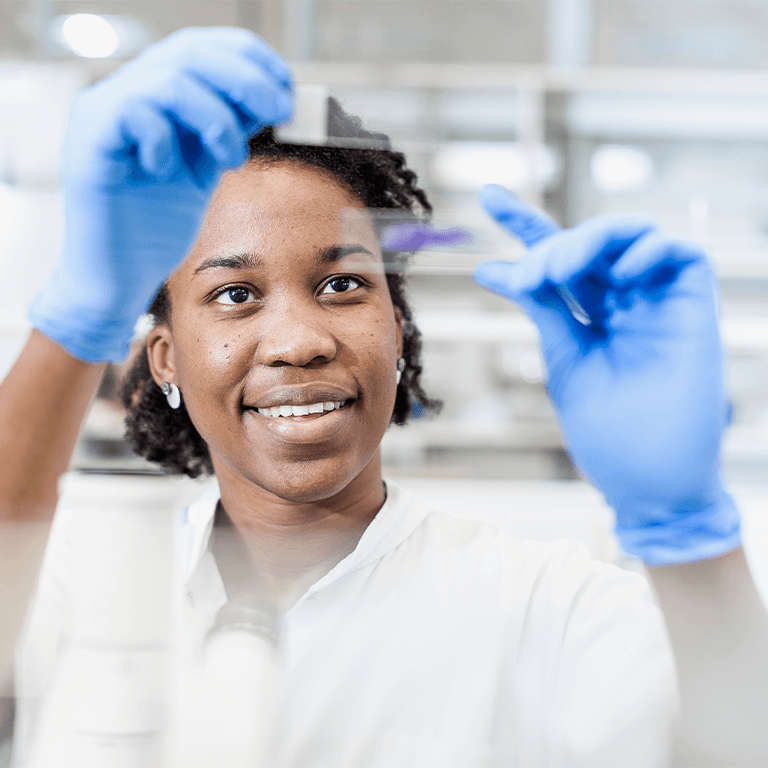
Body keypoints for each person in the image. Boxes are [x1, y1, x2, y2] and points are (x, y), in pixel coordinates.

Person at [1, 26, 767, 767]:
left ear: (397, 332)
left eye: (343, 285)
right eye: (235, 293)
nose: (299, 340)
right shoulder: (72, 585)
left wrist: (689, 536)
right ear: (163, 359)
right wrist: (76, 319)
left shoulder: (547, 607)